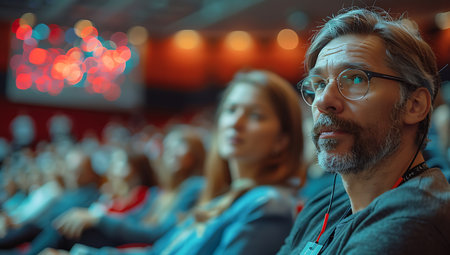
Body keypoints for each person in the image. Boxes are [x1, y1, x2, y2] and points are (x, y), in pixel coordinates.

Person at [43, 69, 306, 255]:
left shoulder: (269, 206)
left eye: (256, 115)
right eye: (230, 110)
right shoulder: (223, 199)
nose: (235, 122)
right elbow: (159, 251)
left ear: (282, 139)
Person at [278, 7, 450, 255]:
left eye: (356, 79)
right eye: (318, 84)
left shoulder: (414, 220)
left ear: (415, 105)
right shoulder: (324, 205)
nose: (323, 100)